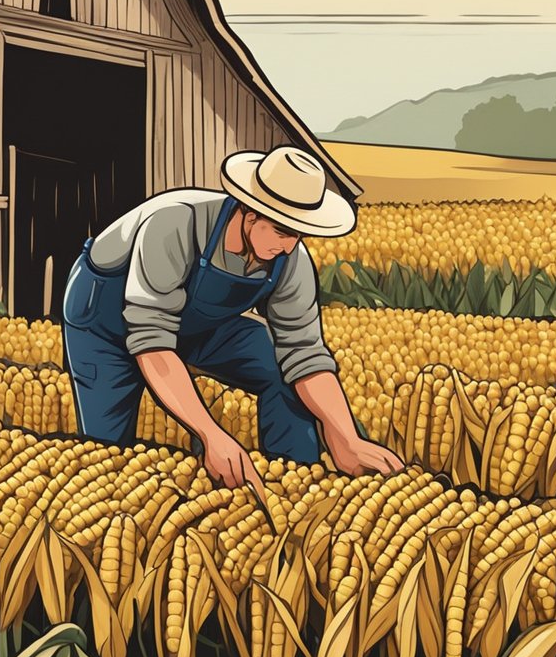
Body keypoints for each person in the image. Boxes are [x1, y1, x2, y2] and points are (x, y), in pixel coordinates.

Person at [60, 145, 403, 491]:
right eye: (282, 231)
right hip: (103, 323)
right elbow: (151, 339)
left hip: (196, 324)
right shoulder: (175, 223)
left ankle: (295, 483)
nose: (288, 247)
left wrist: (345, 435)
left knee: (280, 369)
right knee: (105, 454)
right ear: (250, 213)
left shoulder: (291, 261)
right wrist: (211, 435)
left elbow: (304, 353)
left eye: (298, 234)